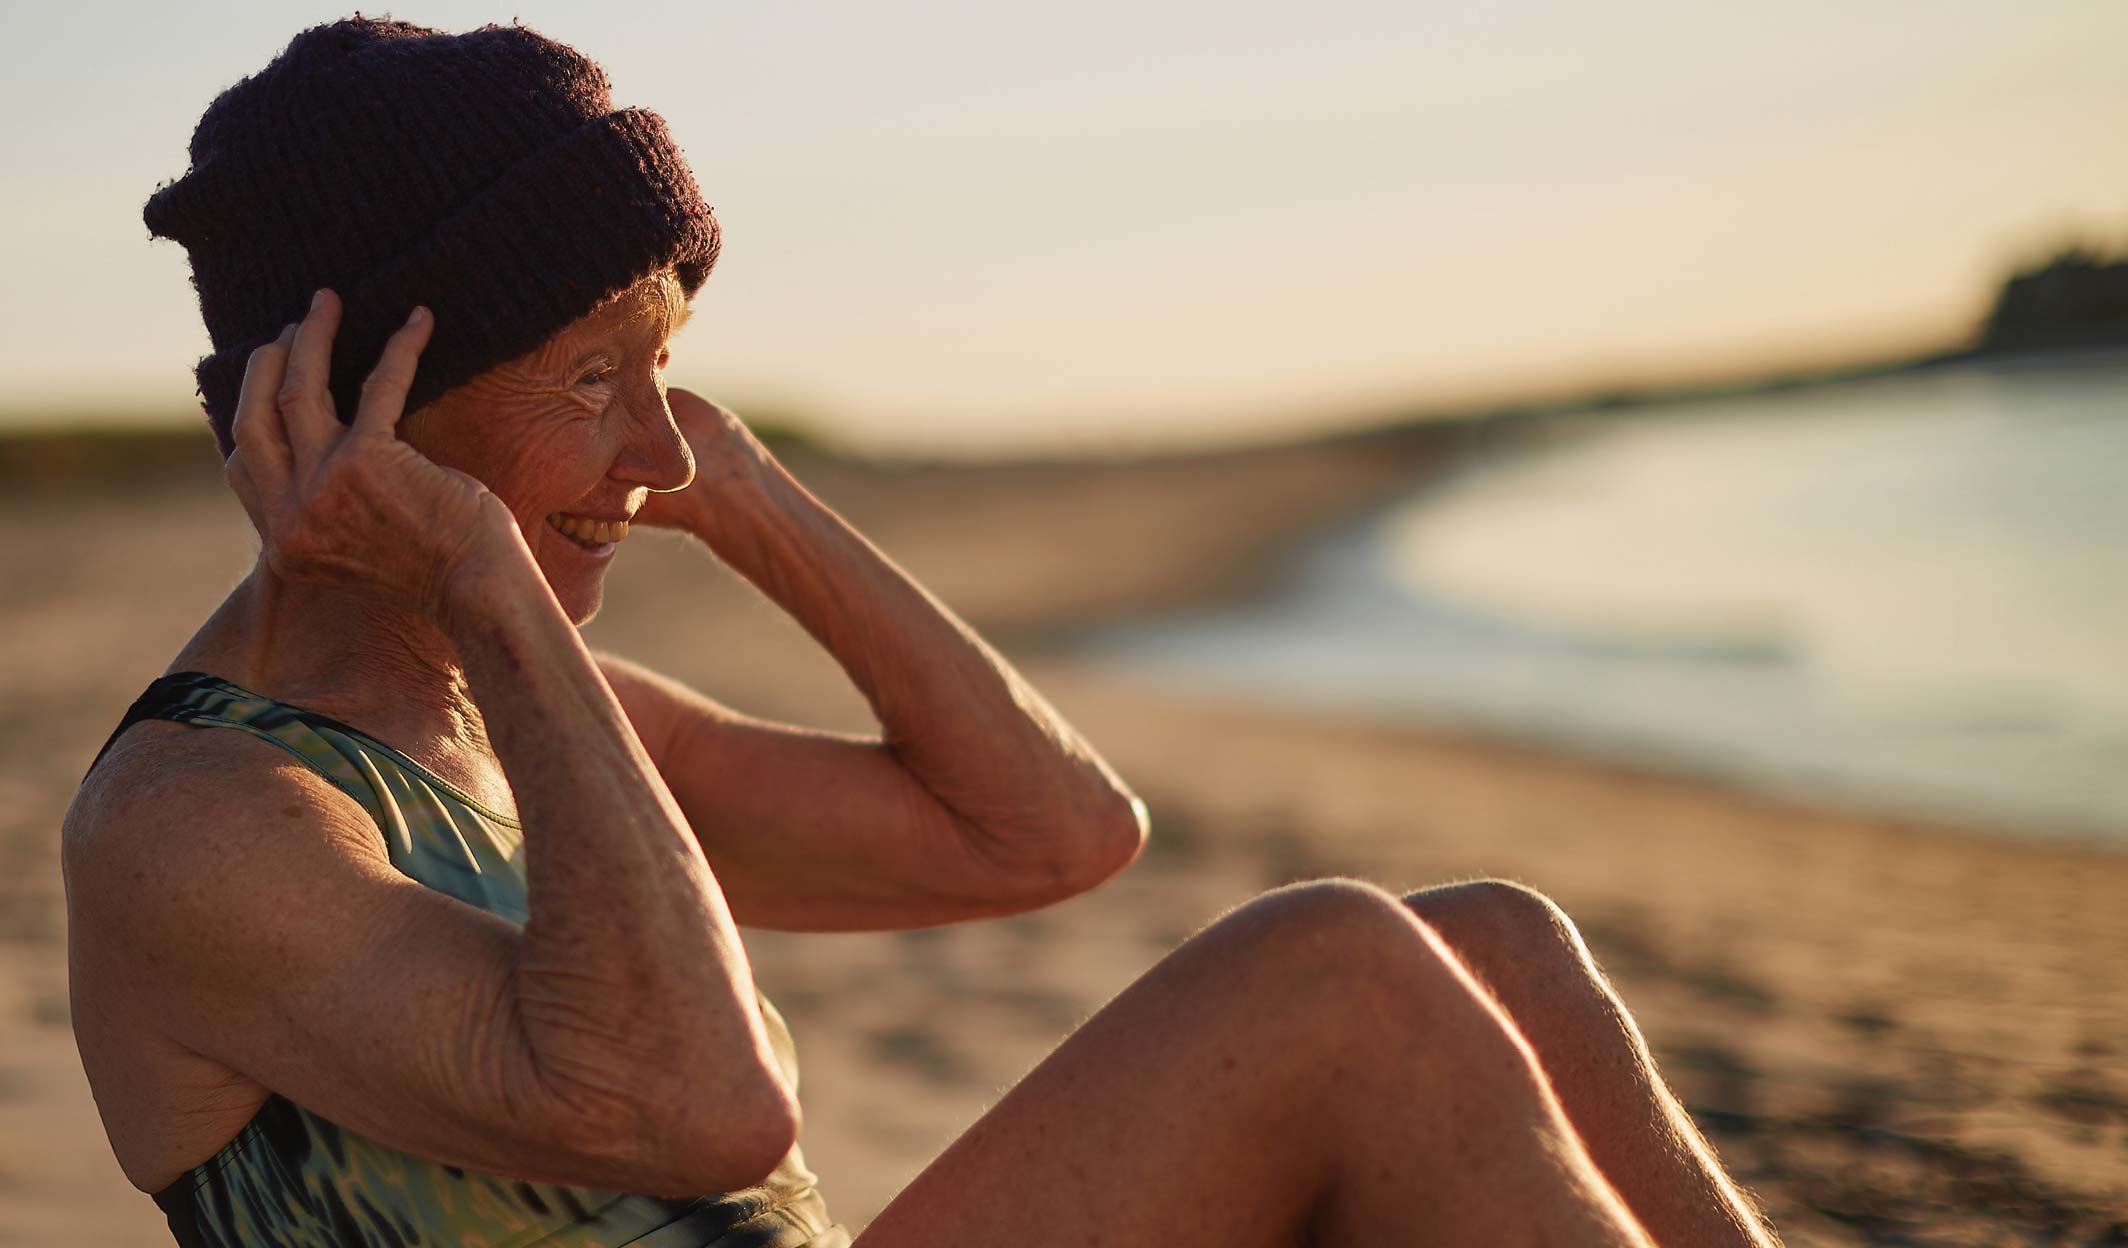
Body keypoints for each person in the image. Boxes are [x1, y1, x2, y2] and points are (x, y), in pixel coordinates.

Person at [63, 14, 1784, 1247]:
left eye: (668, 372)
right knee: (1335, 974)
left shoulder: (550, 733)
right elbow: (702, 1118)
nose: (656, 448)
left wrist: (737, 487)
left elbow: (1053, 833)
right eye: (591, 376)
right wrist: (496, 591)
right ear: (364, 410)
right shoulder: (201, 823)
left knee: (1494, 941)